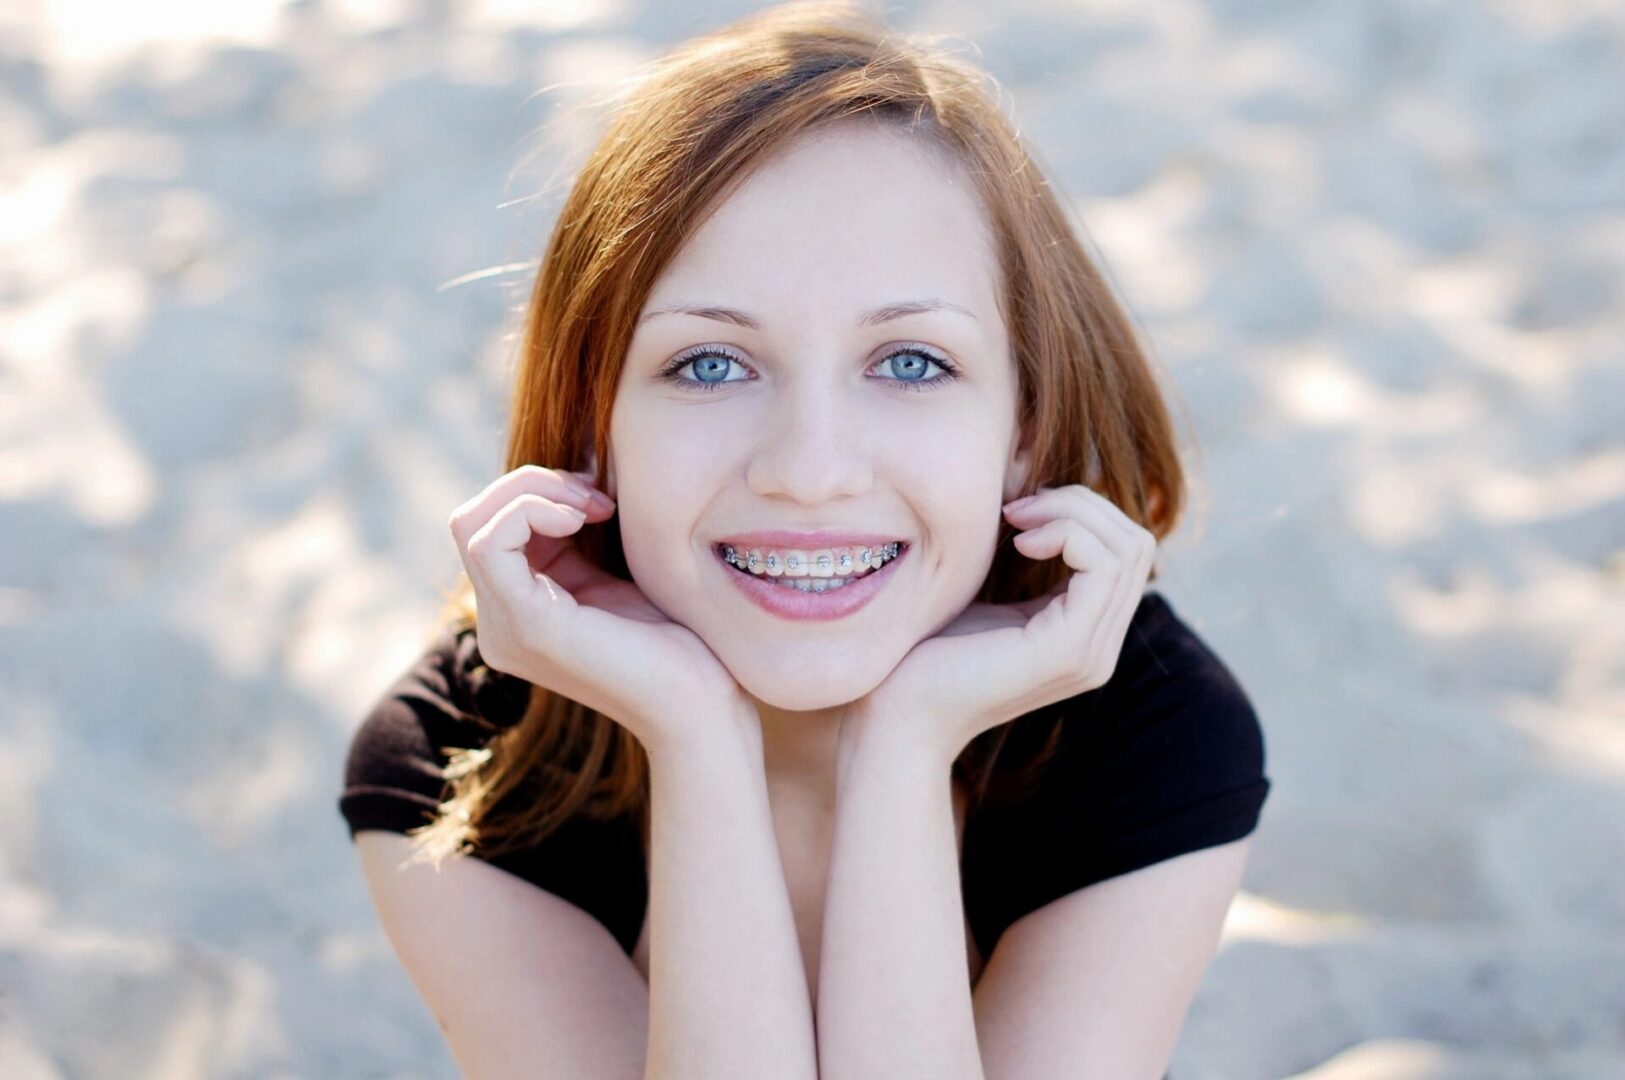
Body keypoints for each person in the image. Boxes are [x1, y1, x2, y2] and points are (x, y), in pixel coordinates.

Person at [337, 2, 1271, 1077]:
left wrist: (904, 743)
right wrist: (693, 738)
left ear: (1025, 429)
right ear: (595, 427)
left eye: (910, 362)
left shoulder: (1144, 727)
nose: (809, 470)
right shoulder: (465, 760)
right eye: (709, 364)